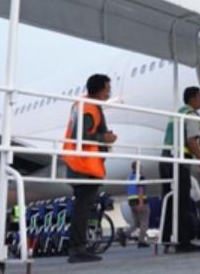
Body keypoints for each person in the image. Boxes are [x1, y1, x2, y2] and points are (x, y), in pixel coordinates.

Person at [62, 74, 117, 263]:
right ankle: (77, 249)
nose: (109, 91)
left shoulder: (82, 105)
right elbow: (82, 135)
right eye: (108, 88)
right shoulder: (90, 108)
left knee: (82, 207)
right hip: (84, 165)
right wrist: (105, 138)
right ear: (101, 89)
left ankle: (78, 247)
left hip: (80, 164)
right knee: (82, 209)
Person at [160, 86, 200, 253]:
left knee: (170, 200)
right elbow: (191, 141)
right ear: (193, 98)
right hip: (178, 161)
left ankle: (167, 239)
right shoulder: (191, 114)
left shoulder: (178, 113)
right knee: (182, 201)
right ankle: (183, 241)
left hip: (165, 159)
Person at [121, 161, 150, 248]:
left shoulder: (130, 177)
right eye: (141, 167)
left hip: (131, 202)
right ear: (138, 168)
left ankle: (124, 234)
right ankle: (141, 241)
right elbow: (140, 190)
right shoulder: (140, 177)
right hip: (140, 202)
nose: (142, 169)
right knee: (144, 221)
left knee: (136, 223)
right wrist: (141, 203)